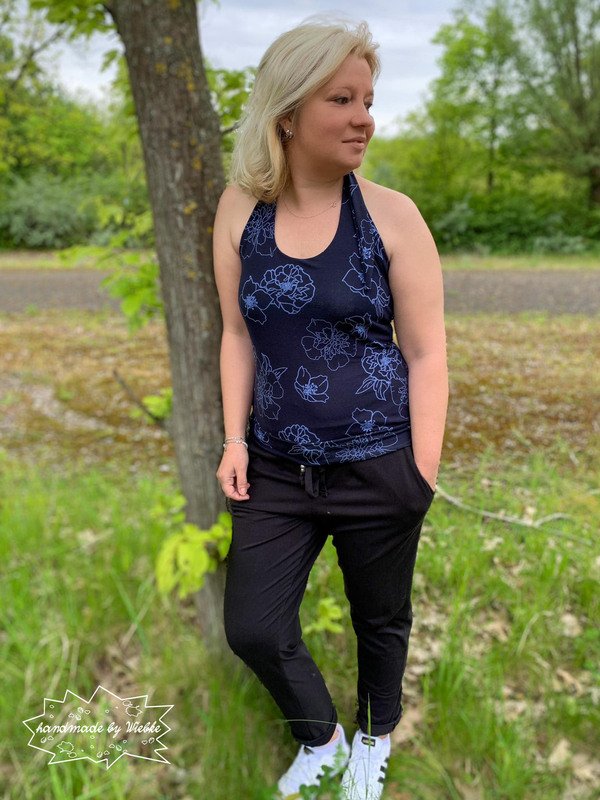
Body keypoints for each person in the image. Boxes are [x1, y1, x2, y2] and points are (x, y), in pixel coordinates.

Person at [213, 15, 448, 800]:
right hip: (275, 468)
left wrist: (419, 472)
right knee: (252, 626)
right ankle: (321, 738)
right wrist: (234, 439)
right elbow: (237, 334)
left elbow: (427, 352)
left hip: (380, 464)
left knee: (379, 621)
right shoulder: (240, 211)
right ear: (286, 113)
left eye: (368, 101)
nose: (363, 119)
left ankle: (374, 741)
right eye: (341, 100)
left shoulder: (392, 216)